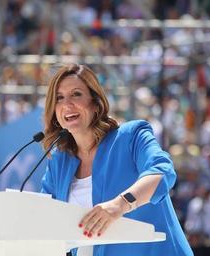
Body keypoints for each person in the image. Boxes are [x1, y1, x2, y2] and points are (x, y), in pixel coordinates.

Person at [41, 63, 193, 256]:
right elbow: (44, 217)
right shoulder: (58, 162)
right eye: (59, 98)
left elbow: (163, 173)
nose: (67, 104)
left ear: (96, 103)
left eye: (76, 94)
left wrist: (120, 204)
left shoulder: (130, 136)